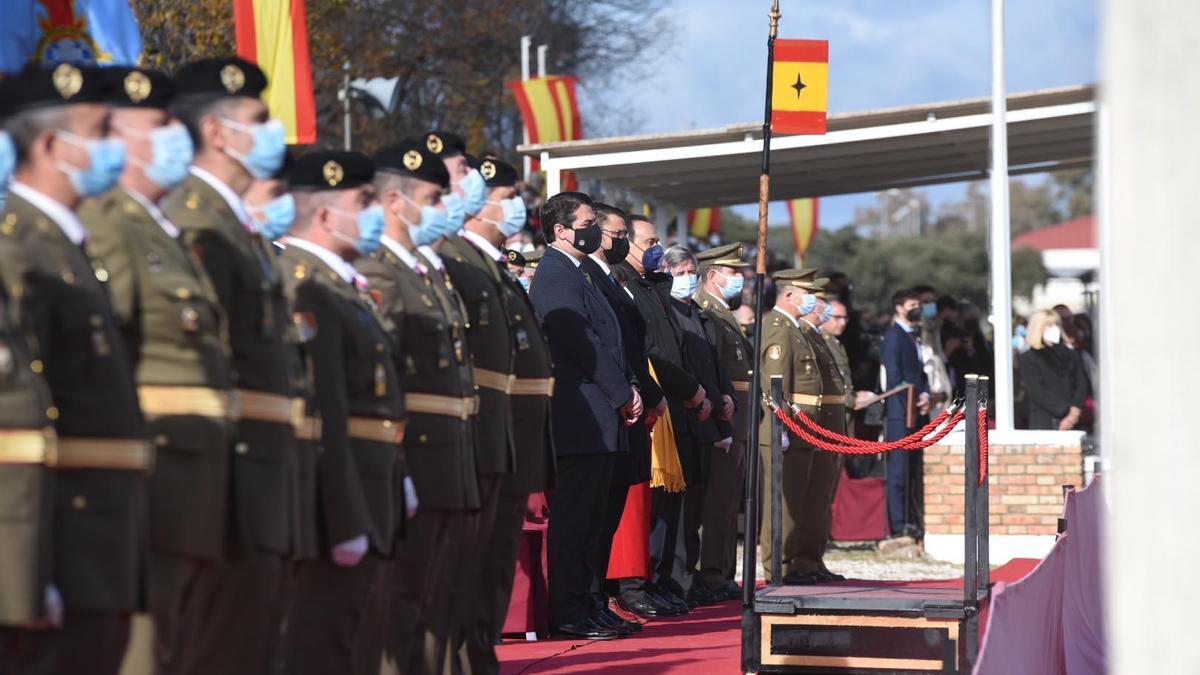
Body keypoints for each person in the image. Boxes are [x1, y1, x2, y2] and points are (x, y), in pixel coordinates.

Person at [78, 66, 248, 673]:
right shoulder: (109, 225)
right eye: (160, 125)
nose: (177, 135)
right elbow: (102, 367)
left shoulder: (163, 229)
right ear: (115, 137)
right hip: (157, 472)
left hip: (198, 473)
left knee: (189, 644)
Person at [0, 63, 149, 674]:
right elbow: (13, 428)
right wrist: (22, 576)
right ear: (53, 145)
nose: (117, 144)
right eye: (101, 129)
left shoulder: (65, 247)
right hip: (60, 549)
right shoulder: (19, 250)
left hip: (96, 542)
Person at [160, 56, 296, 672]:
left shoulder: (232, 225)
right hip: (216, 475)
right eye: (260, 119)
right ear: (217, 133)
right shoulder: (196, 222)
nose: (275, 133)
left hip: (256, 471)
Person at [276, 150, 405, 675]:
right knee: (328, 643)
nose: (375, 212)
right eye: (363, 201)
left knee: (359, 635)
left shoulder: (342, 283)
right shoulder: (305, 283)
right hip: (341, 493)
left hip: (374, 477)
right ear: (327, 215)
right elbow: (323, 411)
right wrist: (345, 514)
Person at [354, 138, 479, 674]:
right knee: (405, 599)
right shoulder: (378, 271)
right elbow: (386, 381)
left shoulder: (425, 272)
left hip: (449, 451)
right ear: (394, 202)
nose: (442, 206)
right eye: (432, 196)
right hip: (417, 452)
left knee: (439, 593)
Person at [444, 157, 558, 670]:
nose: (517, 205)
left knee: (492, 568)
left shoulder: (490, 265)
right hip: (482, 436)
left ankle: (479, 658)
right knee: (466, 569)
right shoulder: (458, 262)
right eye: (507, 194)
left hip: (512, 437)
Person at [529, 191, 640, 640]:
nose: (593, 229)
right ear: (561, 230)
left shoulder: (581, 274)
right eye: (587, 221)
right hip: (581, 417)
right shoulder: (555, 274)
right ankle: (569, 608)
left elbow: (613, 339)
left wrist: (628, 387)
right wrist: (620, 393)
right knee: (575, 520)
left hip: (602, 413)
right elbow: (582, 344)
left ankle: (591, 601)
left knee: (596, 520)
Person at [613, 215, 704, 618]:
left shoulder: (653, 288)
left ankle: (660, 579)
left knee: (669, 509)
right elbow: (651, 354)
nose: (656, 248)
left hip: (674, 410)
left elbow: (674, 349)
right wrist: (690, 390)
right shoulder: (627, 287)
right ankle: (636, 584)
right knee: (647, 510)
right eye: (649, 241)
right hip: (654, 407)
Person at [581, 203, 661, 632]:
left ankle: (597, 597)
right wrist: (633, 393)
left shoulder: (616, 278)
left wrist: (648, 393)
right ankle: (591, 597)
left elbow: (633, 345)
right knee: (593, 516)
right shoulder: (585, 275)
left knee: (608, 513)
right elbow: (601, 345)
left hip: (629, 403)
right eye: (615, 234)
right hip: (605, 408)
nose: (619, 241)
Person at [758, 269, 831, 584]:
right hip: (788, 427)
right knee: (782, 503)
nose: (813, 300)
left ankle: (796, 563)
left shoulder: (795, 329)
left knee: (799, 501)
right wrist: (781, 426)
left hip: (804, 427)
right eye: (807, 293)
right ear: (789, 295)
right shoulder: (778, 328)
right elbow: (775, 384)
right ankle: (780, 566)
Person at [694, 243, 753, 601]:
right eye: (734, 273)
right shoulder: (708, 310)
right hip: (725, 416)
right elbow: (711, 368)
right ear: (714, 276)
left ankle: (723, 572)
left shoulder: (722, 311)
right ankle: (712, 573)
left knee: (730, 502)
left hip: (738, 417)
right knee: (717, 502)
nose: (741, 280)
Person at [793, 286, 848, 582]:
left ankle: (813, 558)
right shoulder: (800, 333)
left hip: (829, 425)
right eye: (819, 302)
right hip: (815, 425)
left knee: (821, 499)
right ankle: (799, 561)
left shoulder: (818, 337)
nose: (822, 309)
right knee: (808, 499)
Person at [881, 288, 931, 540]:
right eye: (913, 303)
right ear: (899, 307)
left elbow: (919, 374)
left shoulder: (914, 336)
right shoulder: (893, 336)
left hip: (916, 409)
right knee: (898, 471)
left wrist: (926, 395)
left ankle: (912, 520)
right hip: (900, 413)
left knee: (912, 469)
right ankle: (898, 525)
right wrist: (911, 399)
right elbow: (895, 378)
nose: (917, 308)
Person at [1019, 310, 1087, 431]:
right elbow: (1037, 391)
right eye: (1049, 325)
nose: (1054, 329)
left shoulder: (1071, 355)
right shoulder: (1029, 358)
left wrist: (1074, 412)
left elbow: (1081, 383)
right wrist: (1065, 410)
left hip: (1073, 420)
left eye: (1056, 325)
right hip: (1045, 421)